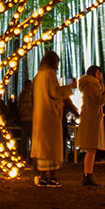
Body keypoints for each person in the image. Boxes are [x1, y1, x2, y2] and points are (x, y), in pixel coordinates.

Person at [30, 50, 74, 187]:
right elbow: (55, 92)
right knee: (52, 149)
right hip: (50, 115)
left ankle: (42, 177)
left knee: (42, 149)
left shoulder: (38, 76)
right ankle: (52, 178)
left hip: (39, 115)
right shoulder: (50, 74)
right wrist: (69, 88)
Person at [76, 66, 105, 185]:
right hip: (91, 117)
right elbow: (98, 99)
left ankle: (89, 174)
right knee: (91, 147)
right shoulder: (90, 84)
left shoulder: (92, 85)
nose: (100, 76)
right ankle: (87, 174)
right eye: (98, 73)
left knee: (92, 148)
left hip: (93, 116)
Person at [17, 80, 34, 160]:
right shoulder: (26, 96)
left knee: (24, 139)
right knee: (29, 138)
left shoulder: (22, 95)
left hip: (24, 119)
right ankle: (29, 156)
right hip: (28, 119)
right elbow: (29, 107)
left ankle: (24, 156)